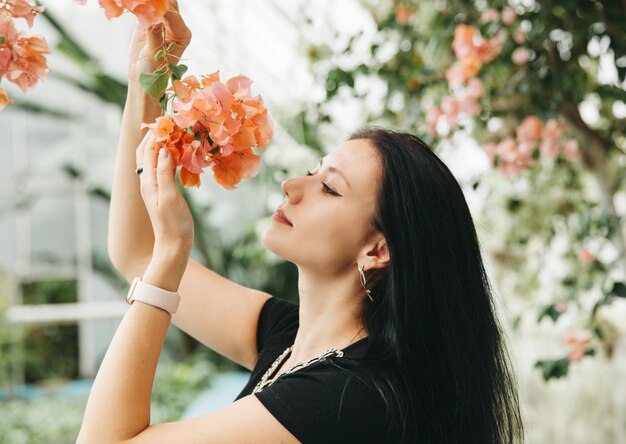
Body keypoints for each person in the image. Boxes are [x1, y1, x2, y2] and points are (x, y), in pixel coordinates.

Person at [77, 2, 524, 443]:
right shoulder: (290, 340)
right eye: (312, 170)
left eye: (329, 187)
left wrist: (174, 251)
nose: (293, 185)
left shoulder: (345, 396)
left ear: (378, 249)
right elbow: (136, 252)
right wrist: (147, 82)